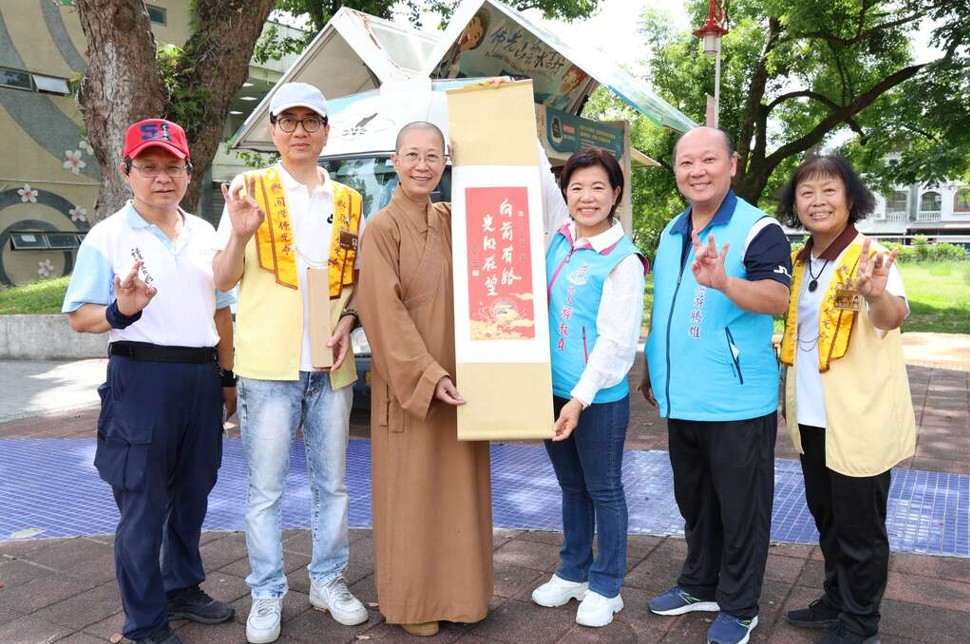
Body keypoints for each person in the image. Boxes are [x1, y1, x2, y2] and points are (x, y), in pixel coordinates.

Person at [355, 121, 567, 637]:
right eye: (412, 155)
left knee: (459, 495)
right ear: (395, 161)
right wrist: (428, 375)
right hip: (413, 385)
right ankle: (412, 604)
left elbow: (512, 216)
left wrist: (509, 127)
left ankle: (462, 597)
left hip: (465, 381)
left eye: (433, 155)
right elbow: (382, 312)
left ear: (447, 162)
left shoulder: (454, 218)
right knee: (410, 495)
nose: (422, 165)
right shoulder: (381, 228)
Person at [62, 118, 235, 644]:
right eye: (149, 166)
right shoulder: (108, 236)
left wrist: (227, 378)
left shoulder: (205, 233)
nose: (163, 177)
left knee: (193, 491)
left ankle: (181, 586)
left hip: (200, 378)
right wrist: (121, 310)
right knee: (142, 504)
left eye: (173, 167)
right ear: (127, 172)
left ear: (188, 172)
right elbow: (79, 317)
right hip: (141, 378)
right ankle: (144, 623)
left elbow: (221, 310)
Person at [212, 82, 368, 644]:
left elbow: (358, 283)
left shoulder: (349, 200)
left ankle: (327, 579)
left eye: (311, 121)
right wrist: (240, 234)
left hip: (331, 363)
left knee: (334, 485)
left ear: (326, 130)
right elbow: (223, 278)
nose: (299, 131)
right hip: (267, 364)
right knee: (266, 489)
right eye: (288, 120)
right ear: (273, 129)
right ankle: (267, 589)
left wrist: (350, 323)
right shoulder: (247, 189)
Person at [640, 126, 792, 644]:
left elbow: (777, 298)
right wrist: (652, 363)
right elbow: (667, 304)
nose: (697, 171)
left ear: (731, 164)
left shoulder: (757, 228)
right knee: (696, 501)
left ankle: (740, 605)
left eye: (708, 159)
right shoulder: (672, 230)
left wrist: (725, 282)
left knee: (742, 508)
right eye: (686, 162)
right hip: (682, 397)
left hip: (736, 400)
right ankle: (700, 583)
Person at [777, 155, 915, 644]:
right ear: (795, 204)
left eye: (829, 190)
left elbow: (892, 317)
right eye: (806, 192)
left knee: (861, 527)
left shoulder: (871, 256)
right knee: (827, 517)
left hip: (859, 416)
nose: (817, 201)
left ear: (850, 197)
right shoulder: (802, 260)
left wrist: (875, 295)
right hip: (813, 417)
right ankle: (837, 599)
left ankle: (860, 622)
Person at [530, 148, 646, 628]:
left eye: (598, 187)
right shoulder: (559, 236)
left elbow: (615, 343)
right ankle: (573, 570)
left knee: (604, 489)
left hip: (597, 398)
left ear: (616, 193)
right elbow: (538, 171)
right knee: (571, 486)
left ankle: (606, 585)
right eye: (576, 187)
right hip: (551, 390)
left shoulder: (623, 260)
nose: (587, 197)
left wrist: (579, 400)